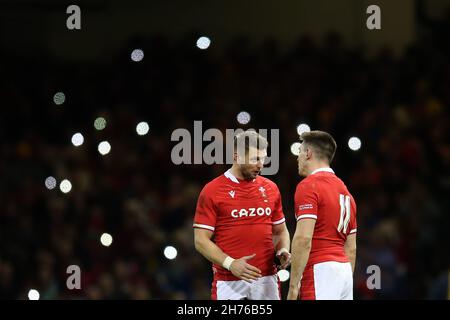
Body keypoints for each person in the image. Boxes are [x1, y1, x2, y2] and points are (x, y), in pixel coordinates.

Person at [193, 130, 291, 300]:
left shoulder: (271, 188)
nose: (261, 165)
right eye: (255, 159)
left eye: (263, 159)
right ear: (237, 157)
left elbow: (280, 230)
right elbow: (200, 240)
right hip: (229, 281)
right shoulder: (212, 191)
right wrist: (230, 264)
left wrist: (282, 249)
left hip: (267, 279)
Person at [287, 131, 357, 300]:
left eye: (300, 152)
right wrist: (343, 280)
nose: (298, 158)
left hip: (320, 270)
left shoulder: (309, 186)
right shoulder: (346, 193)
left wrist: (293, 285)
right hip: (345, 272)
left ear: (308, 153)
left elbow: (303, 238)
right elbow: (351, 248)